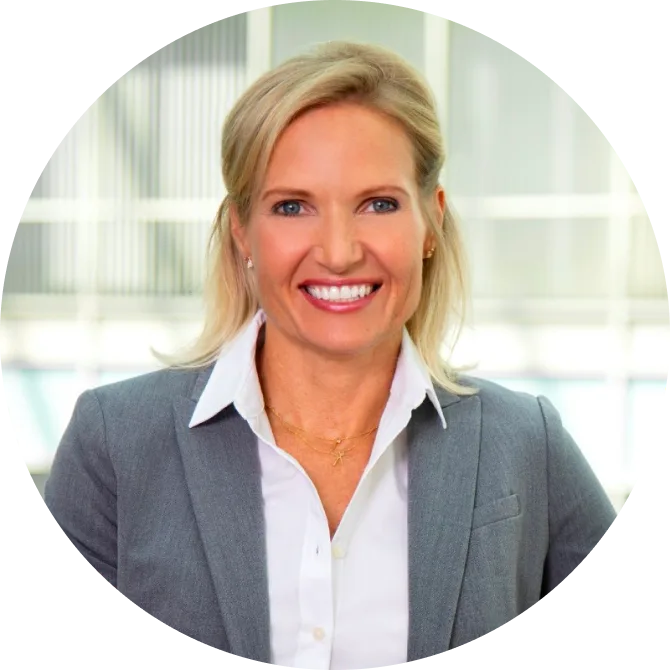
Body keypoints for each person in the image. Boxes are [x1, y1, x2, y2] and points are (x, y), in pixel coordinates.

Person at [43, 40, 617, 667]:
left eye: (378, 204)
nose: (339, 251)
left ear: (431, 220)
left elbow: (635, 631)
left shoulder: (523, 442)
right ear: (242, 231)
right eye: (292, 207)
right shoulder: (116, 447)